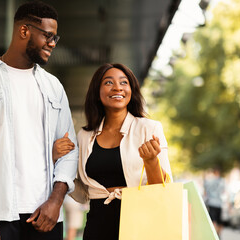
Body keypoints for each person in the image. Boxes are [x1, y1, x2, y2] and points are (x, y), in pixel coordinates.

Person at [0, 1, 78, 240]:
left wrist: (56, 201)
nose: (52, 44)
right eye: (48, 36)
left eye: (55, 38)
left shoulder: (53, 87)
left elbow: (70, 151)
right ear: (24, 31)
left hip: (46, 216)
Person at [65, 63, 173, 239]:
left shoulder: (149, 128)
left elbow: (162, 189)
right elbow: (82, 194)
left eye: (124, 82)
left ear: (131, 90)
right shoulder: (85, 136)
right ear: (97, 92)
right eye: (108, 82)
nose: (117, 87)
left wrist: (151, 161)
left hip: (139, 224)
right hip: (97, 226)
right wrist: (59, 160)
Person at [204, 168, 225, 237]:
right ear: (218, 173)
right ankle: (218, 235)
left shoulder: (208, 181)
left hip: (211, 203)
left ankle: (214, 235)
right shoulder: (222, 181)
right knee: (219, 221)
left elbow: (205, 193)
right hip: (219, 203)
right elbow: (223, 192)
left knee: (213, 220)